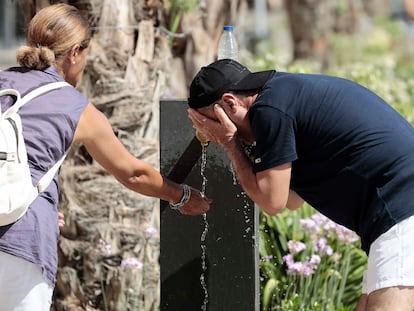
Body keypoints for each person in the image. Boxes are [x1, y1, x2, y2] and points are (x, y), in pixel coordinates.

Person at [0, 4, 210, 310]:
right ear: (75, 52)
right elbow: (132, 173)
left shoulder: (4, 82)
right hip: (21, 243)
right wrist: (181, 195)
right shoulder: (74, 105)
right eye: (86, 53)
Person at [187, 58, 414, 311]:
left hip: (401, 203)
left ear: (229, 103)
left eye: (211, 123)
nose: (211, 134)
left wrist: (230, 144)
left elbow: (272, 202)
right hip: (395, 208)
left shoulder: (269, 111)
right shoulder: (283, 96)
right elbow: (291, 200)